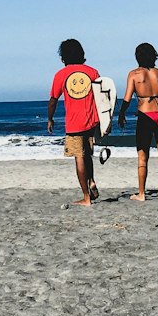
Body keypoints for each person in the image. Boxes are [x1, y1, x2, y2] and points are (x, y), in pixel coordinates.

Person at [47, 38, 101, 207]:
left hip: (74, 123)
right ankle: (91, 180)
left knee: (79, 158)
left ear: (63, 57)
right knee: (88, 154)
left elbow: (53, 100)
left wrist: (50, 118)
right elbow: (101, 97)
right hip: (92, 121)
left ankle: (86, 197)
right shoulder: (93, 72)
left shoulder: (61, 75)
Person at [119, 42, 158, 204]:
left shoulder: (134, 75)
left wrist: (122, 113)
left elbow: (127, 98)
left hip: (146, 116)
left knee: (142, 157)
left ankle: (141, 194)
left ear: (137, 57)